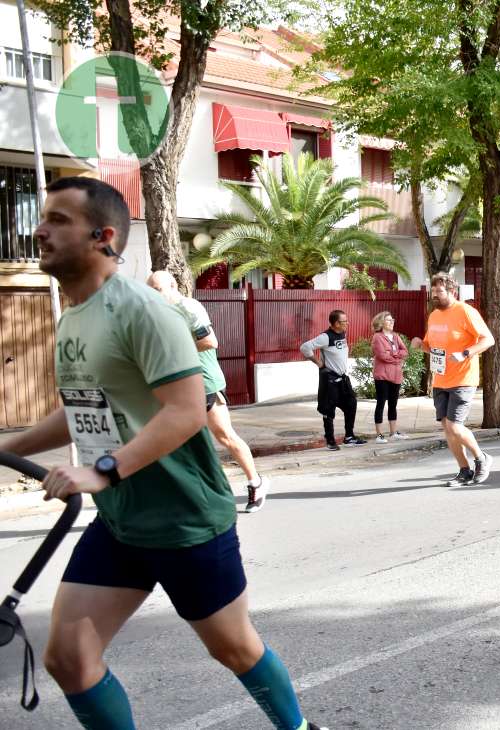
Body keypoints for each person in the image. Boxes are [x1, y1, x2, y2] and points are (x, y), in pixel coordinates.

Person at [0, 177, 327, 730]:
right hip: (123, 523)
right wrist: (7, 448)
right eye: (44, 216)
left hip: (184, 521)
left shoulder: (144, 311)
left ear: (104, 236)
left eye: (58, 219)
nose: (40, 228)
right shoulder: (75, 314)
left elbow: (186, 409)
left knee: (234, 648)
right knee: (68, 659)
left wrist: (102, 470)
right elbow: (83, 409)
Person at [146, 271, 268, 513]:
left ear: (173, 286)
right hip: (179, 387)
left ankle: (256, 482)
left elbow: (211, 341)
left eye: (157, 289)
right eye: (150, 290)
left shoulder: (189, 307)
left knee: (225, 437)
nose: (153, 295)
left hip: (205, 383)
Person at [411, 272, 496, 485]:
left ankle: (481, 458)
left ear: (452, 292)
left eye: (439, 292)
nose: (434, 296)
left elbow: (489, 340)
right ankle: (464, 470)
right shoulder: (434, 316)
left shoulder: (466, 311)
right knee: (447, 428)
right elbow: (433, 348)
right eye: (433, 292)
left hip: (463, 378)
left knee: (455, 425)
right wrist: (420, 345)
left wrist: (466, 353)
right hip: (441, 379)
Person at [301, 310, 366, 450]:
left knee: (351, 403)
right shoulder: (325, 337)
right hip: (330, 379)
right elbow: (305, 347)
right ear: (336, 323)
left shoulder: (342, 333)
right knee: (328, 410)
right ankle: (330, 441)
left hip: (343, 379)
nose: (347, 323)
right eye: (344, 321)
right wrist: (318, 363)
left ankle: (349, 437)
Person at [370, 311, 408, 443]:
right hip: (383, 375)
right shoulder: (377, 337)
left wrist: (393, 354)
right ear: (381, 323)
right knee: (381, 403)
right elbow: (382, 356)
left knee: (393, 404)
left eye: (392, 320)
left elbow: (405, 351)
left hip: (396, 374)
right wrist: (397, 357)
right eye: (388, 320)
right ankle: (379, 434)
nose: (392, 322)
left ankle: (393, 432)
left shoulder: (396, 336)